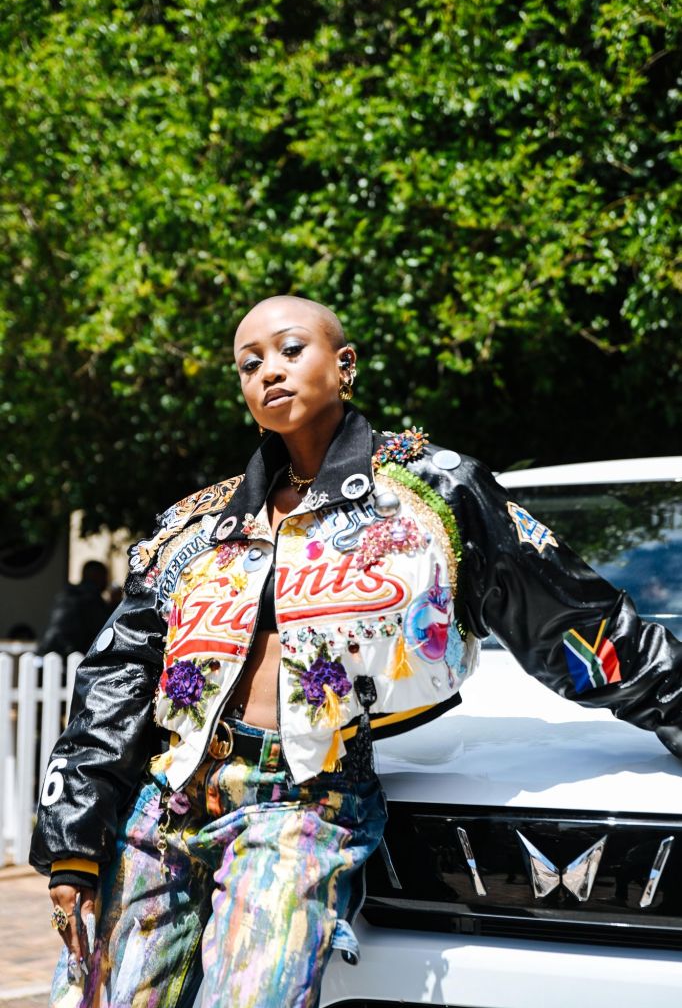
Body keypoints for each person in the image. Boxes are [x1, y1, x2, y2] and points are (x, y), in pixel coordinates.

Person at [30, 295, 682, 1008]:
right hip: (168, 797)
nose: (269, 371)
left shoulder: (433, 492)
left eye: (289, 349)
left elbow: (576, 621)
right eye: (249, 364)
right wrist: (73, 841)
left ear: (344, 365)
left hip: (301, 802)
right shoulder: (199, 525)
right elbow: (117, 678)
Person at [37, 560, 110, 659]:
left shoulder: (67, 594)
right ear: (97, 576)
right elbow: (103, 630)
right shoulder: (90, 598)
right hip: (67, 653)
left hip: (47, 650)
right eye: (105, 576)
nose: (107, 581)